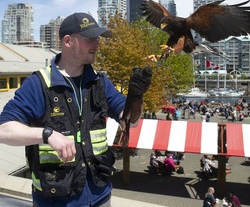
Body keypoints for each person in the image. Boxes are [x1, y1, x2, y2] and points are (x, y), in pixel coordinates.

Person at [0, 12, 152, 207]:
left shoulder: (100, 82)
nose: (97, 44)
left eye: (98, 38)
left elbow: (130, 120)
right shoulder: (38, 85)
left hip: (101, 196)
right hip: (56, 201)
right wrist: (47, 134)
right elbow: (4, 130)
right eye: (90, 39)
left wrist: (136, 98)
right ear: (68, 41)